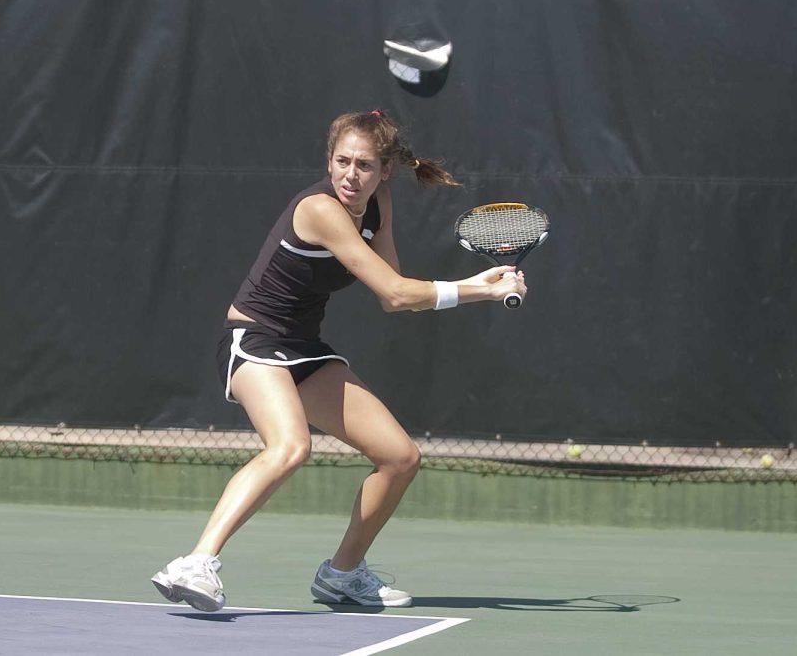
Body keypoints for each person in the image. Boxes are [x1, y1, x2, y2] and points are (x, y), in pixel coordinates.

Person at [151, 110, 527, 611]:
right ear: (329, 160)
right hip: (255, 340)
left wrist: (475, 287)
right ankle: (195, 563)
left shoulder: (378, 206)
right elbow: (397, 292)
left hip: (304, 347)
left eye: (365, 166)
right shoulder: (319, 209)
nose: (352, 175)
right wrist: (477, 291)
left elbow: (395, 292)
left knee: (400, 458)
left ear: (384, 172)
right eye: (342, 161)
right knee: (289, 447)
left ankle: (342, 575)